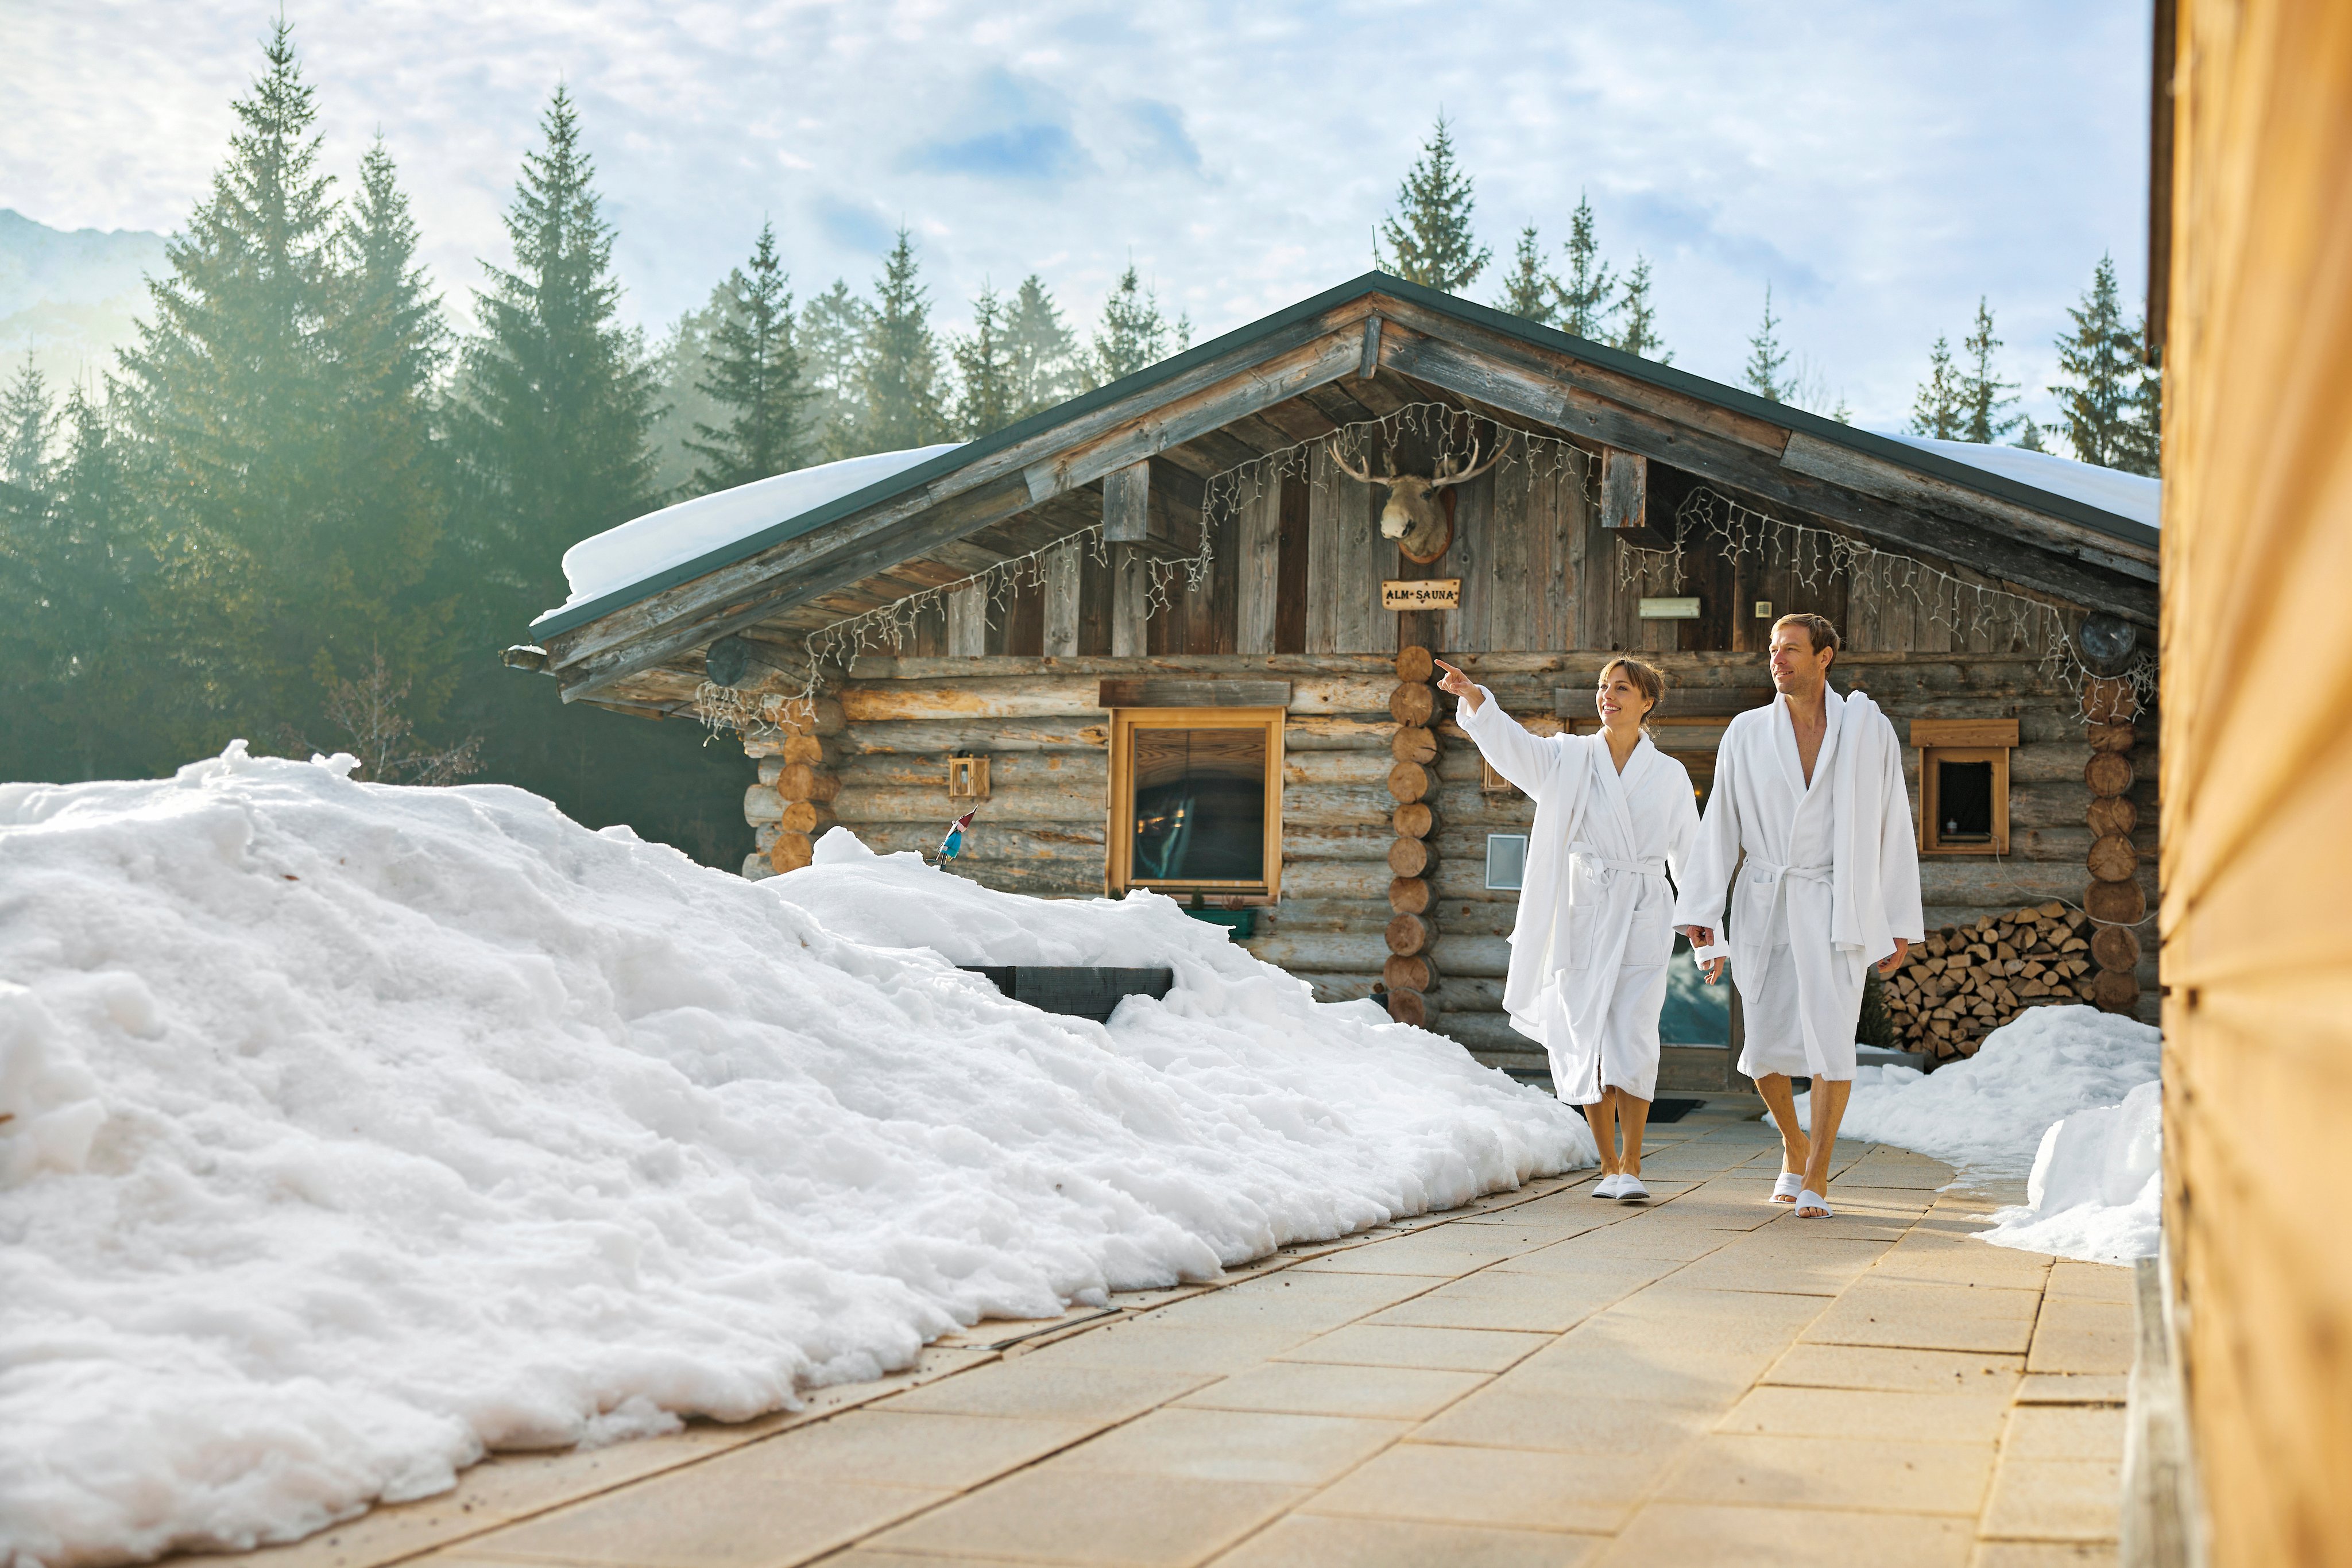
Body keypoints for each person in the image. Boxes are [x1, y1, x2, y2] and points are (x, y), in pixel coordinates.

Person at [1673, 614, 1922, 1218]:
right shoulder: (1746, 732)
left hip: (1836, 901)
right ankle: (1793, 1142)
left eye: (1790, 649)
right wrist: (1703, 907)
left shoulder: (1867, 730)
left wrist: (1896, 918)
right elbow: (1720, 821)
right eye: (1772, 649)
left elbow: (1893, 821)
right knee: (1762, 1046)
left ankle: (1817, 1173)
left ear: (1824, 657)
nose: (1776, 659)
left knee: (1832, 1041)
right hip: (1766, 899)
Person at [1436, 654, 1701, 1201]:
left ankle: (1633, 1162)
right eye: (1603, 686)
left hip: (1644, 910)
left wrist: (1703, 926)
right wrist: (1475, 698)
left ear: (1647, 701)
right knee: (1584, 1032)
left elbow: (1691, 855)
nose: (1608, 696)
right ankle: (1608, 1165)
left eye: (1621, 688)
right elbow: (1515, 748)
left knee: (1634, 1033)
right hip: (1584, 908)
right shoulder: (1568, 757)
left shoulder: (1670, 775)